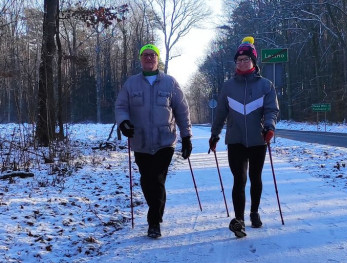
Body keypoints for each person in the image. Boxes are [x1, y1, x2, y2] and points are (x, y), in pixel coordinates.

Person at [114, 44, 193, 239]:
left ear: (158, 59)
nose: (149, 58)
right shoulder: (131, 84)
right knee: (146, 180)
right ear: (140, 59)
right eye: (145, 55)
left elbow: (182, 111)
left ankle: (154, 222)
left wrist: (186, 136)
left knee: (157, 179)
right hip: (140, 141)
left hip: (165, 141)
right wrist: (123, 122)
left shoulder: (170, 83)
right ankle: (156, 212)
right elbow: (121, 106)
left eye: (152, 55)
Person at [208, 37, 280, 238]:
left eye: (245, 59)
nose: (241, 63)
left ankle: (254, 212)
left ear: (253, 61)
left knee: (255, 178)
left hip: (258, 140)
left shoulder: (266, 85)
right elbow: (221, 113)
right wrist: (215, 134)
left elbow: (271, 110)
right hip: (236, 140)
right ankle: (239, 220)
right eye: (238, 60)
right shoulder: (228, 86)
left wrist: (269, 127)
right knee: (239, 179)